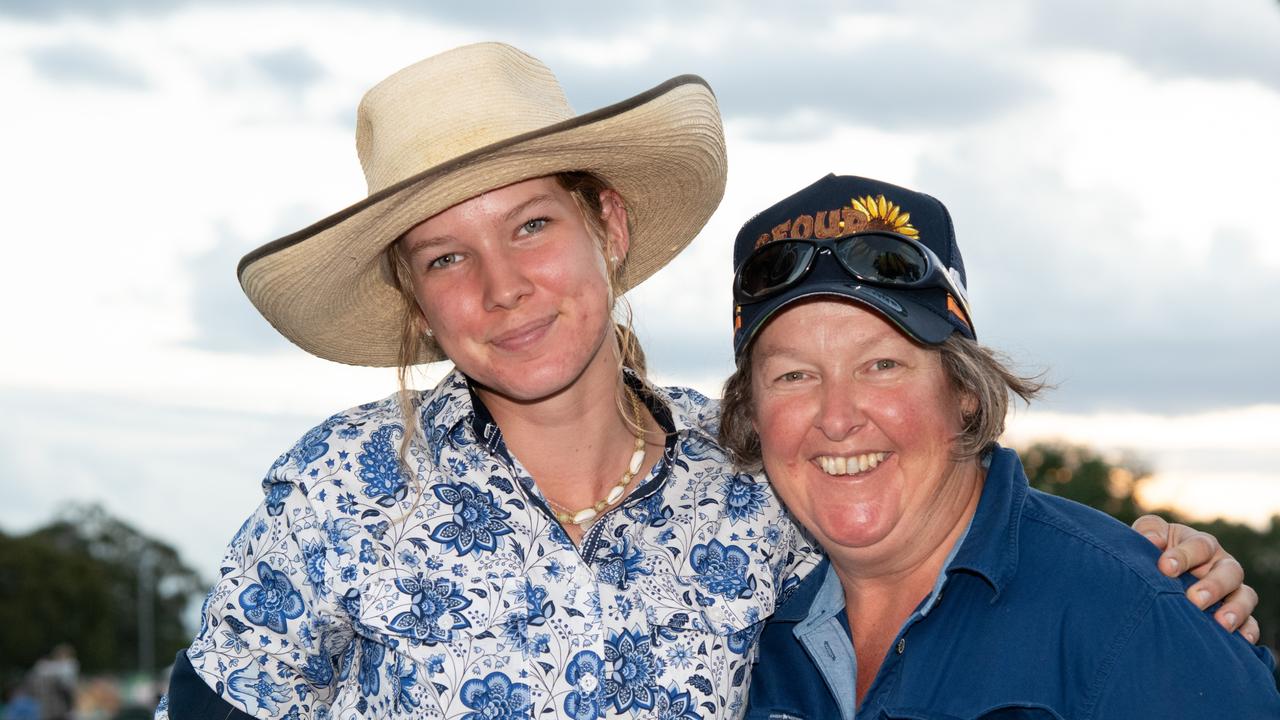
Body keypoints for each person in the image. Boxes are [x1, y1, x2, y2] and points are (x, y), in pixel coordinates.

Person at [160, 45, 1257, 719]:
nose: (501, 287)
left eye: (532, 223)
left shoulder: (760, 484)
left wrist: (1164, 566)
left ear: (608, 225)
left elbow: (952, 531)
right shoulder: (336, 490)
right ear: (414, 296)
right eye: (446, 257)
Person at [721, 174, 1280, 718]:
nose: (838, 419)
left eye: (882, 365)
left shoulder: (1133, 620)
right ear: (752, 412)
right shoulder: (747, 638)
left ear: (964, 388)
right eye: (794, 376)